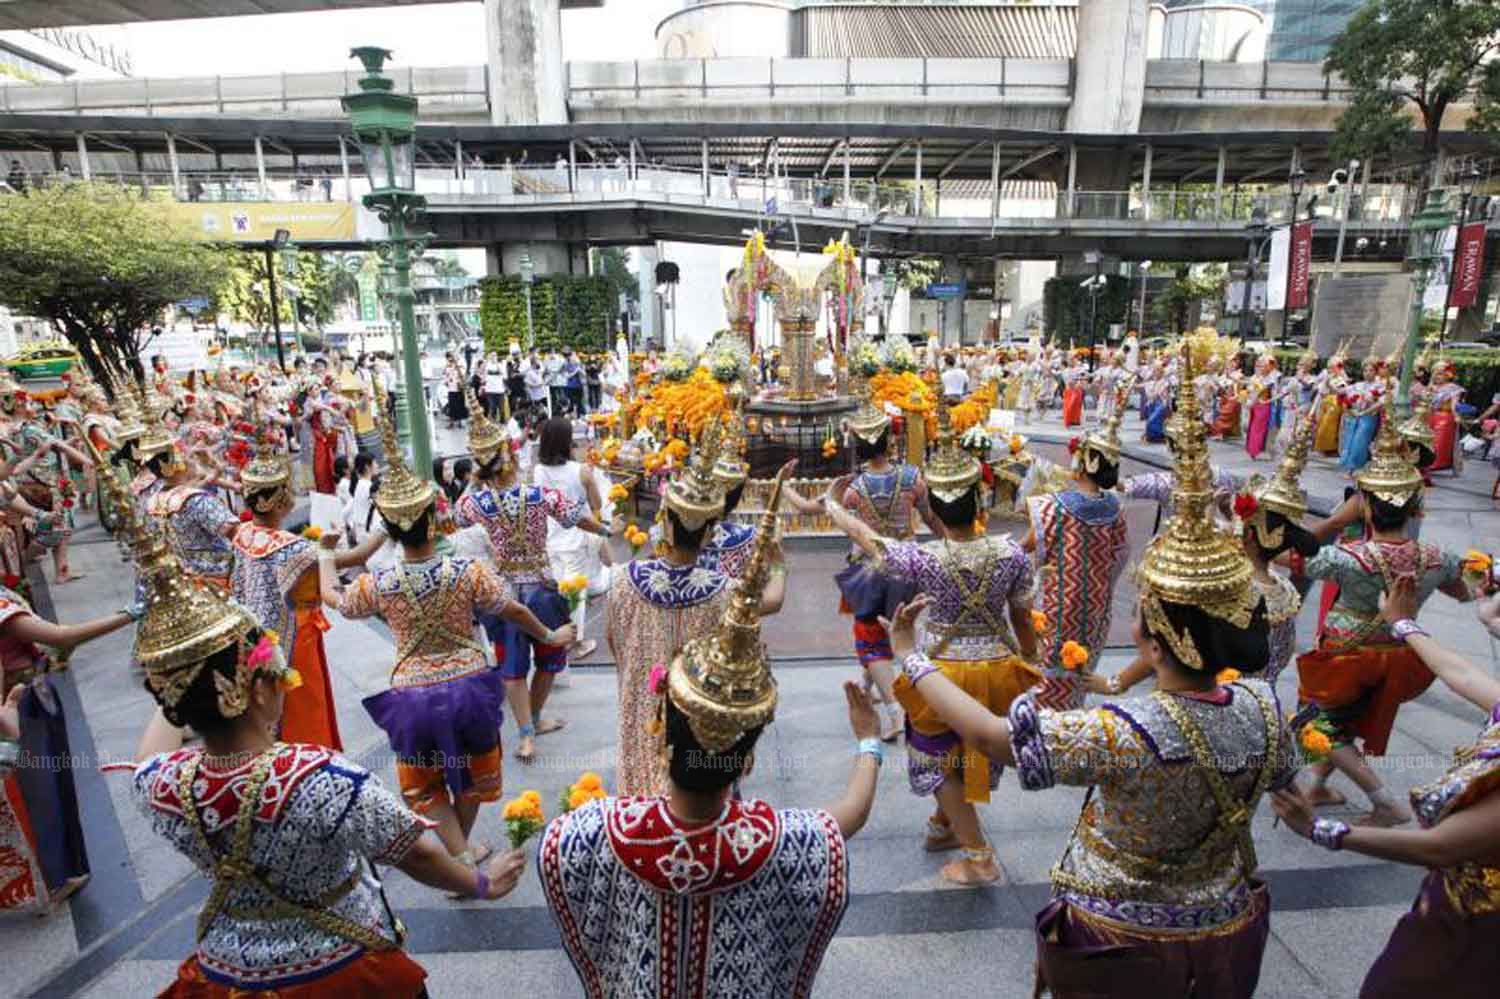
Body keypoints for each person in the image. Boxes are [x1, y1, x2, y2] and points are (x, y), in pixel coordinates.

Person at [889, 343, 1295, 997]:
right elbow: (1293, 793)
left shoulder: (1119, 730)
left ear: (1154, 636)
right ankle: (954, 820)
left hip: (1117, 945)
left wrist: (911, 658)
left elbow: (999, 739)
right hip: (1224, 934)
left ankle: (962, 832)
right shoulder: (1267, 713)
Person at [107, 490, 528, 997]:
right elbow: (415, 855)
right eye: (275, 674)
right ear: (257, 687)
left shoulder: (161, 786)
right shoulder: (317, 777)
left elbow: (147, 755)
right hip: (338, 970)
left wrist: (184, 680)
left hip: (226, 974)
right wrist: (483, 884)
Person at [539, 500, 873, 998]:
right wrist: (868, 739)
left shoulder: (596, 834)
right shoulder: (771, 840)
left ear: (660, 720)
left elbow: (557, 859)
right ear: (749, 756)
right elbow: (848, 814)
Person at [320, 391, 573, 863]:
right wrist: (549, 635)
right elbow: (513, 611)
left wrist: (322, 556)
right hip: (469, 690)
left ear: (392, 530)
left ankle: (458, 852)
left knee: (428, 781)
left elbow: (336, 600)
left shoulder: (383, 581)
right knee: (473, 774)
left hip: (412, 696)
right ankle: (465, 847)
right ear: (434, 521)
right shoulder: (467, 571)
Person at [820, 409, 1037, 886]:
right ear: (979, 499)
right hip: (1001, 669)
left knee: (933, 758)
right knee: (973, 746)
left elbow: (871, 541)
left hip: (941, 676)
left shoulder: (922, 559)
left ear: (934, 509)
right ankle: (946, 823)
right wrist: (1033, 669)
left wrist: (834, 510)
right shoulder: (1011, 553)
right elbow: (1024, 619)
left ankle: (979, 856)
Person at [1272, 576, 1500, 999]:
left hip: (1475, 935)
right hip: (1450, 909)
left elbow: (1439, 847)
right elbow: (1459, 672)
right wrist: (1403, 624)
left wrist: (1320, 830)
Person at [1296, 393, 1474, 826]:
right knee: (1347, 720)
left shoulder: (1349, 558)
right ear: (1413, 506)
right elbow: (1464, 593)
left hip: (1346, 653)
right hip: (1398, 652)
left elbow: (1289, 555)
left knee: (1312, 726)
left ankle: (1383, 802)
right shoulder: (1438, 557)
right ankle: (1317, 786)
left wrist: (1335, 520)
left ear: (1368, 506)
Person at [606, 424, 787, 796]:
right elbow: (773, 601)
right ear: (707, 534)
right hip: (697, 722)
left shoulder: (622, 582)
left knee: (640, 812)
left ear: (665, 523)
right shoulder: (724, 592)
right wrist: (779, 564)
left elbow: (616, 645)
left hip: (640, 709)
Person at [453, 394, 613, 762]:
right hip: (541, 586)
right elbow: (579, 517)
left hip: (503, 592)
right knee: (549, 657)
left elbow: (456, 518)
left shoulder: (477, 503)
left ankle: (527, 732)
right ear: (510, 460)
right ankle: (534, 721)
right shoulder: (541, 495)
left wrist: (479, 482)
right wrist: (605, 532)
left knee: (511, 668)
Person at [787, 398, 941, 743]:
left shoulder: (853, 489)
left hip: (869, 571)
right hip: (909, 563)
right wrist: (954, 549)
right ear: (889, 441)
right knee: (897, 628)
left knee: (870, 639)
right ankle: (867, 685)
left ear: (858, 445)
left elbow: (813, 508)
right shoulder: (913, 478)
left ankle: (896, 712)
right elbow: (932, 518)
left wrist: (786, 489)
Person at [232, 441, 384, 751]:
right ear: (268, 501)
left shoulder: (244, 532)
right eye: (284, 490)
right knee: (304, 710)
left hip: (254, 638)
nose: (290, 496)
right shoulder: (291, 548)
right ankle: (310, 760)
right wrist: (388, 526)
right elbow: (355, 557)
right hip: (294, 640)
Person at [0, 579, 137, 913]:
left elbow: (60, 641)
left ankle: (59, 873)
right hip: (21, 704)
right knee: (39, 791)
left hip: (27, 701)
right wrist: (130, 614)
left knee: (44, 789)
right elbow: (63, 638)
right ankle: (54, 875)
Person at [1021, 380, 1131, 709]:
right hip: (1096, 606)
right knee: (1079, 667)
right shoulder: (1115, 508)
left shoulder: (1054, 505)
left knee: (1047, 670)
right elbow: (1120, 558)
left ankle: (1044, 729)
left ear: (1085, 463)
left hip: (1056, 605)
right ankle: (1070, 715)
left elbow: (1027, 547)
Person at [442, 353, 467, 428]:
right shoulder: (448, 366)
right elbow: (445, 374)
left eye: (453, 358)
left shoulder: (460, 365)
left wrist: (456, 367)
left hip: (459, 388)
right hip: (451, 389)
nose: (451, 360)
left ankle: (460, 421)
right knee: (452, 405)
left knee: (460, 405)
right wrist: (446, 380)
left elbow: (463, 373)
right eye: (450, 358)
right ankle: (452, 422)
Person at [483, 352, 505, 419]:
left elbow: (501, 372)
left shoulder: (500, 364)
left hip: (499, 390)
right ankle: (494, 421)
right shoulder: (487, 365)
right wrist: (487, 359)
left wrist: (496, 363)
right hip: (490, 390)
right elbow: (483, 369)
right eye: (492, 356)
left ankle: (502, 421)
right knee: (492, 407)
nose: (493, 357)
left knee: (501, 408)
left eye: (494, 355)